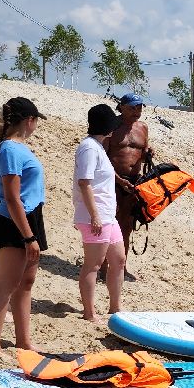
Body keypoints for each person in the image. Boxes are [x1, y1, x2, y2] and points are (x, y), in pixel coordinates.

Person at [0, 98, 45, 355]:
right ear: (28, 121)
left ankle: (23, 340)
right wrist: (29, 237)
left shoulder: (17, 148)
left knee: (26, 281)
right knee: (6, 284)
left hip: (30, 216)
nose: (35, 127)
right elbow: (11, 197)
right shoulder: (10, 149)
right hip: (13, 220)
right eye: (35, 122)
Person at [74, 104, 126, 322]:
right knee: (93, 264)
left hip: (107, 216)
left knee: (119, 259)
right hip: (95, 216)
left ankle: (115, 308)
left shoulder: (98, 147)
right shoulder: (88, 148)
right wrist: (94, 215)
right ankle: (89, 312)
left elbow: (103, 177)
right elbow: (84, 183)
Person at [106, 93, 152, 275]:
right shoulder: (112, 126)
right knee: (109, 223)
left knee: (127, 224)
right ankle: (102, 267)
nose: (137, 111)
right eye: (133, 107)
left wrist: (147, 153)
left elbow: (142, 150)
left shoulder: (143, 128)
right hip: (113, 180)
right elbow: (104, 156)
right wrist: (118, 179)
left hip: (133, 181)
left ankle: (121, 266)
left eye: (139, 107)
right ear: (121, 107)